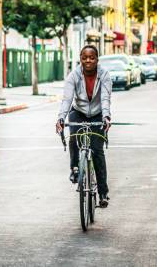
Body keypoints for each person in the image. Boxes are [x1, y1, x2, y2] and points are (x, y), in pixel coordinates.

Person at [56, 45, 112, 208]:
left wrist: (106, 116)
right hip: (78, 111)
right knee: (73, 136)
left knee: (97, 151)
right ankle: (75, 168)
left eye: (92, 57)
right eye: (84, 57)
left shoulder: (104, 75)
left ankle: (103, 192)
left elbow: (105, 98)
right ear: (80, 58)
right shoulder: (73, 75)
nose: (88, 60)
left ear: (97, 59)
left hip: (98, 113)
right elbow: (67, 99)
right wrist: (61, 117)